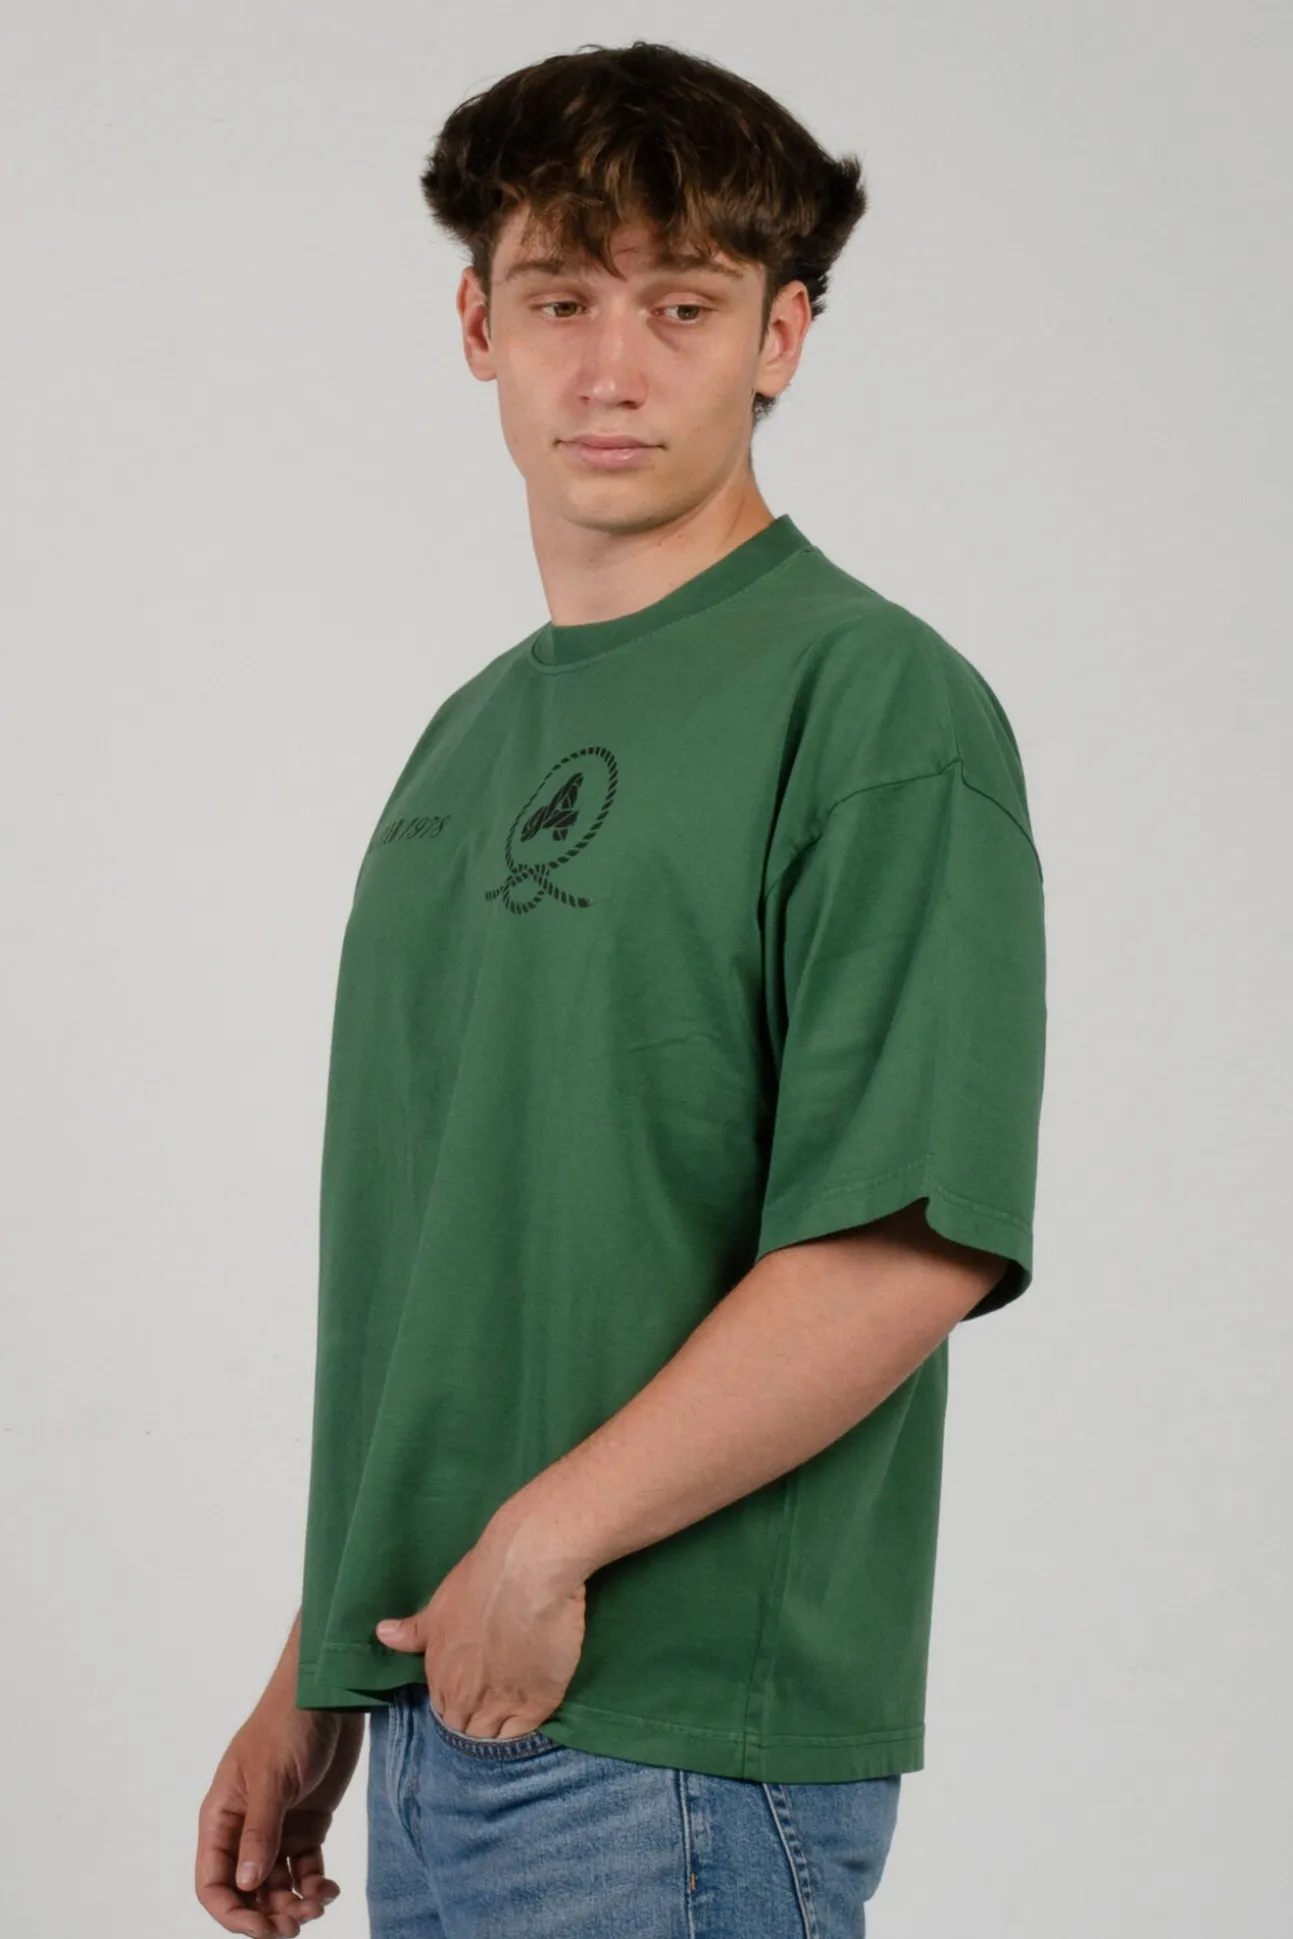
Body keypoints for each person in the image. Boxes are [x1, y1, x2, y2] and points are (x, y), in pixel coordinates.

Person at [195, 38, 1047, 1939]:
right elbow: (457, 1265)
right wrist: (319, 1660)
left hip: (672, 1747)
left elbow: (906, 1241)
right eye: (562, 298)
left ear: (782, 337)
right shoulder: (464, 738)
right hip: (437, 1701)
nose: (612, 368)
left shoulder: (873, 703)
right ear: (478, 325)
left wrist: (545, 1542)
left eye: (684, 306)